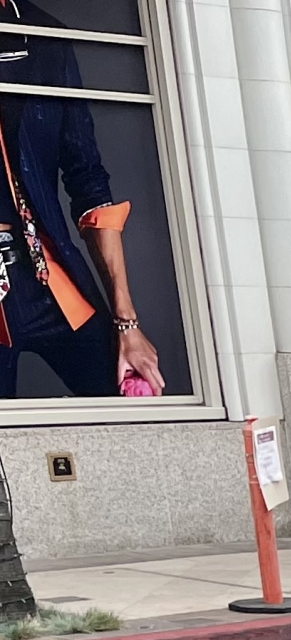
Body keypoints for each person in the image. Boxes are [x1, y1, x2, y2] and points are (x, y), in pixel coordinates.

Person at [0, 0, 164, 398]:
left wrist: (127, 323)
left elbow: (87, 179)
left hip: (42, 274)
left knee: (128, 398)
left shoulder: (43, 39)